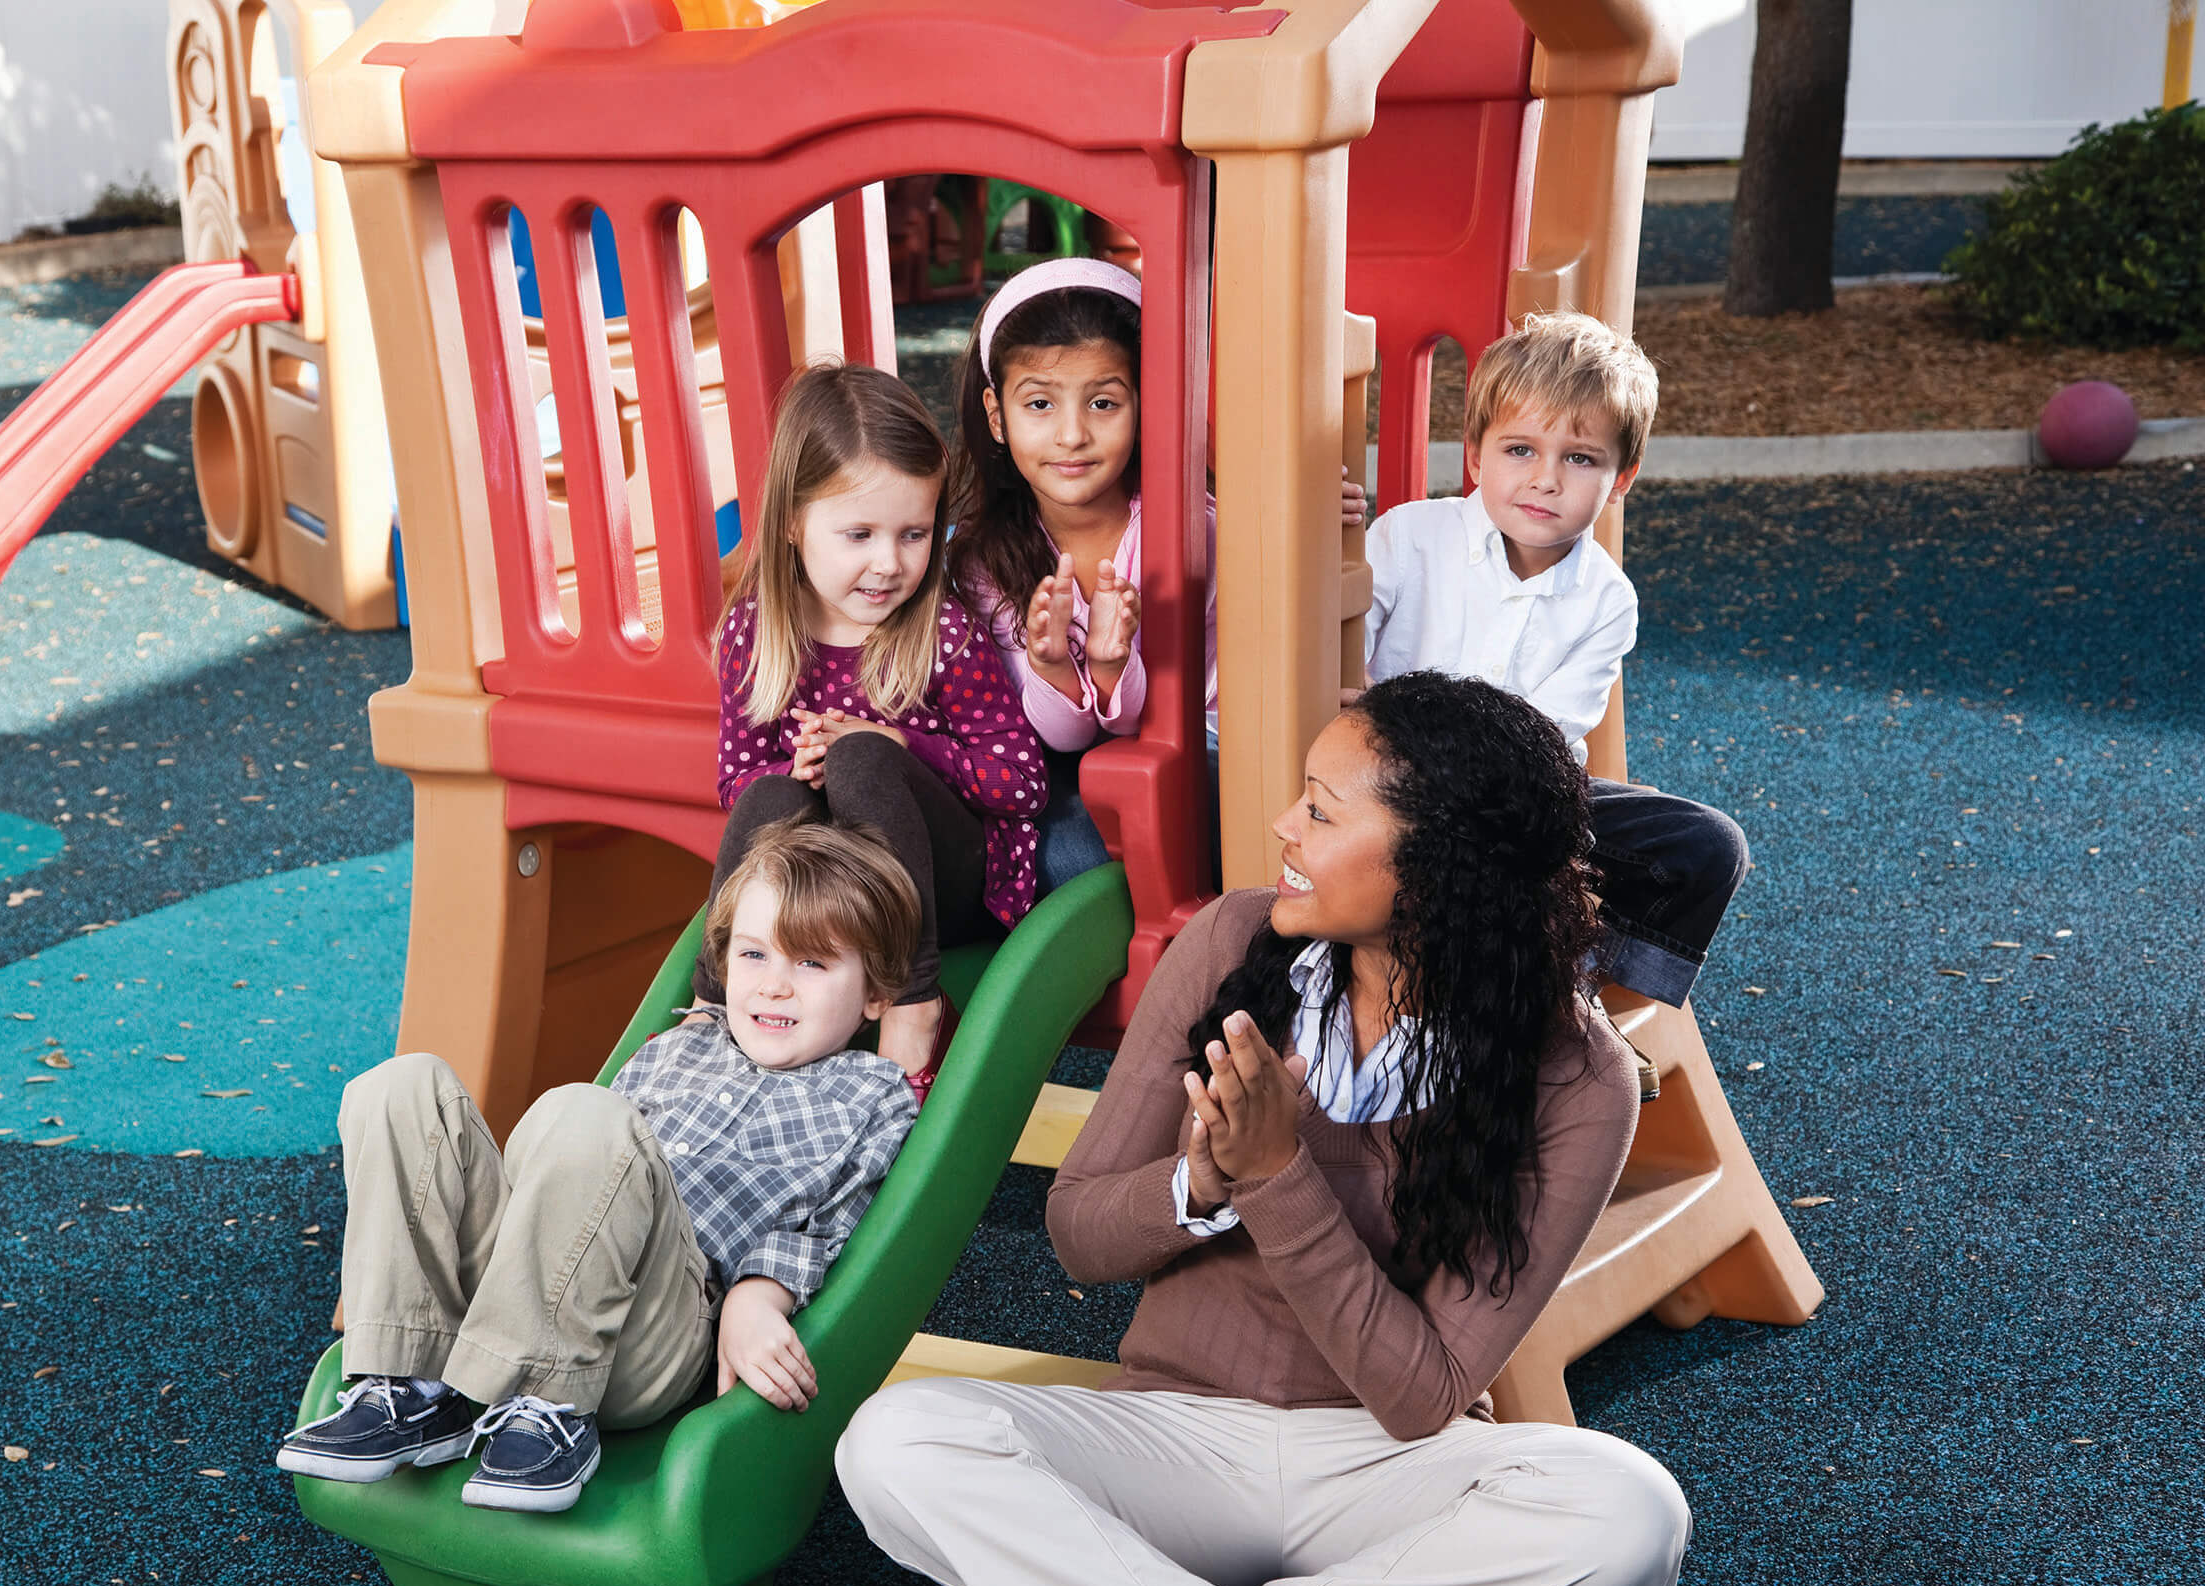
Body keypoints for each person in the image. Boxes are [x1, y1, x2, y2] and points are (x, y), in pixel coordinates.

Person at [836, 672, 1690, 1586]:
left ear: (1440, 867)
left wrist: (1281, 1176)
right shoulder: (1235, 941)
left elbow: (1423, 1394)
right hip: (1172, 1438)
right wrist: (1200, 1180)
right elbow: (1079, 1237)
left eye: (1324, 811)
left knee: (1635, 1520)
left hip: (1385, 1469)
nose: (1285, 829)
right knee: (893, 1444)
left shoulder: (1578, 1076)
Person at [279, 821, 921, 1515]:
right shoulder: (674, 1047)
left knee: (588, 1116)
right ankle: (407, 1387)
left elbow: (839, 1225)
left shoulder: (871, 1092)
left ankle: (553, 1411)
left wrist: (756, 1295)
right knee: (402, 1087)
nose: (774, 986)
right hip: (520, 1288)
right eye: (754, 954)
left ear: (878, 994)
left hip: (649, 1332)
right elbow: (572, 1179)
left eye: (813, 964)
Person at [1362, 309, 1751, 1074]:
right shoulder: (1409, 539)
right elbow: (1336, 648)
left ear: (1620, 481)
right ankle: (1542, 1005)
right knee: (1500, 857)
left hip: (1521, 802)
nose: (1544, 478)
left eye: (1579, 458)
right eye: (1519, 449)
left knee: (1707, 844)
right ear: (1475, 455)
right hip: (1391, 790)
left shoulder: (1607, 600)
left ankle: (1572, 998)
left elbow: (1541, 742)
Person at [947, 256, 1363, 889]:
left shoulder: (1191, 527)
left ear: (1145, 405)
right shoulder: (988, 564)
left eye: (1104, 402)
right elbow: (1056, 741)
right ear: (997, 414)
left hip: (1211, 746)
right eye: (1038, 404)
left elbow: (1276, 612)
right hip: (1081, 765)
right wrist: (1058, 671)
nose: (1071, 435)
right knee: (1061, 856)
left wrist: (1296, 517)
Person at [701, 362, 1047, 1099]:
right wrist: (796, 772)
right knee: (767, 799)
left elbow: (1021, 779)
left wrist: (900, 744)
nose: (889, 564)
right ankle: (708, 1003)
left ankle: (918, 1000)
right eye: (858, 533)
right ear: (794, 523)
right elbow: (737, 783)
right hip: (832, 894)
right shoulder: (754, 634)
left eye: (915, 533)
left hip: (943, 891)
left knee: (862, 755)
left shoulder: (942, 632)